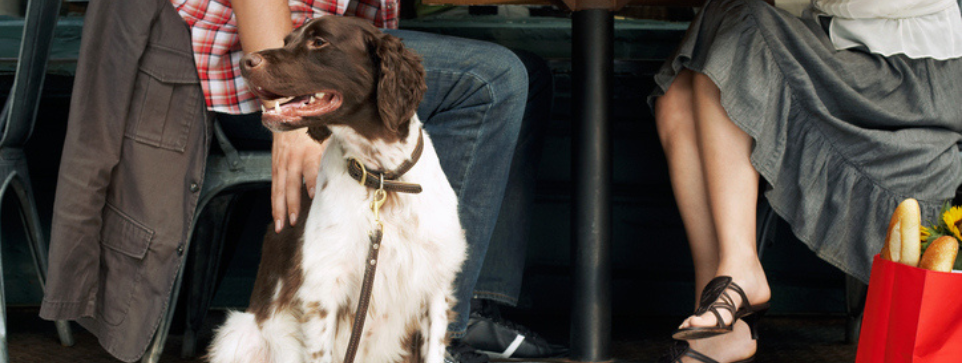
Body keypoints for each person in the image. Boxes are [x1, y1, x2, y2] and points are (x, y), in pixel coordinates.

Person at [40, 0, 561, 362]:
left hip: (317, 48)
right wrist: (285, 112)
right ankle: (438, 342)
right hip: (239, 56)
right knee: (493, 81)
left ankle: (474, 309)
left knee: (527, 73)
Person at [649, 0, 962, 362]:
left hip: (908, 73)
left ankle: (739, 270)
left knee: (741, 24)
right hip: (837, 47)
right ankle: (722, 312)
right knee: (679, 97)